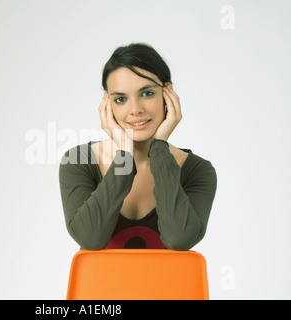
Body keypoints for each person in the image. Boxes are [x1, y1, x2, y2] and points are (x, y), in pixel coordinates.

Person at [58, 43, 217, 250]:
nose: (135, 110)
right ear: (107, 104)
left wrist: (159, 148)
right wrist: (125, 153)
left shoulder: (197, 171)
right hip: (99, 284)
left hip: (168, 285)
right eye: (121, 99)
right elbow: (90, 238)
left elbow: (179, 239)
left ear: (168, 95)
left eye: (147, 93)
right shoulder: (79, 161)